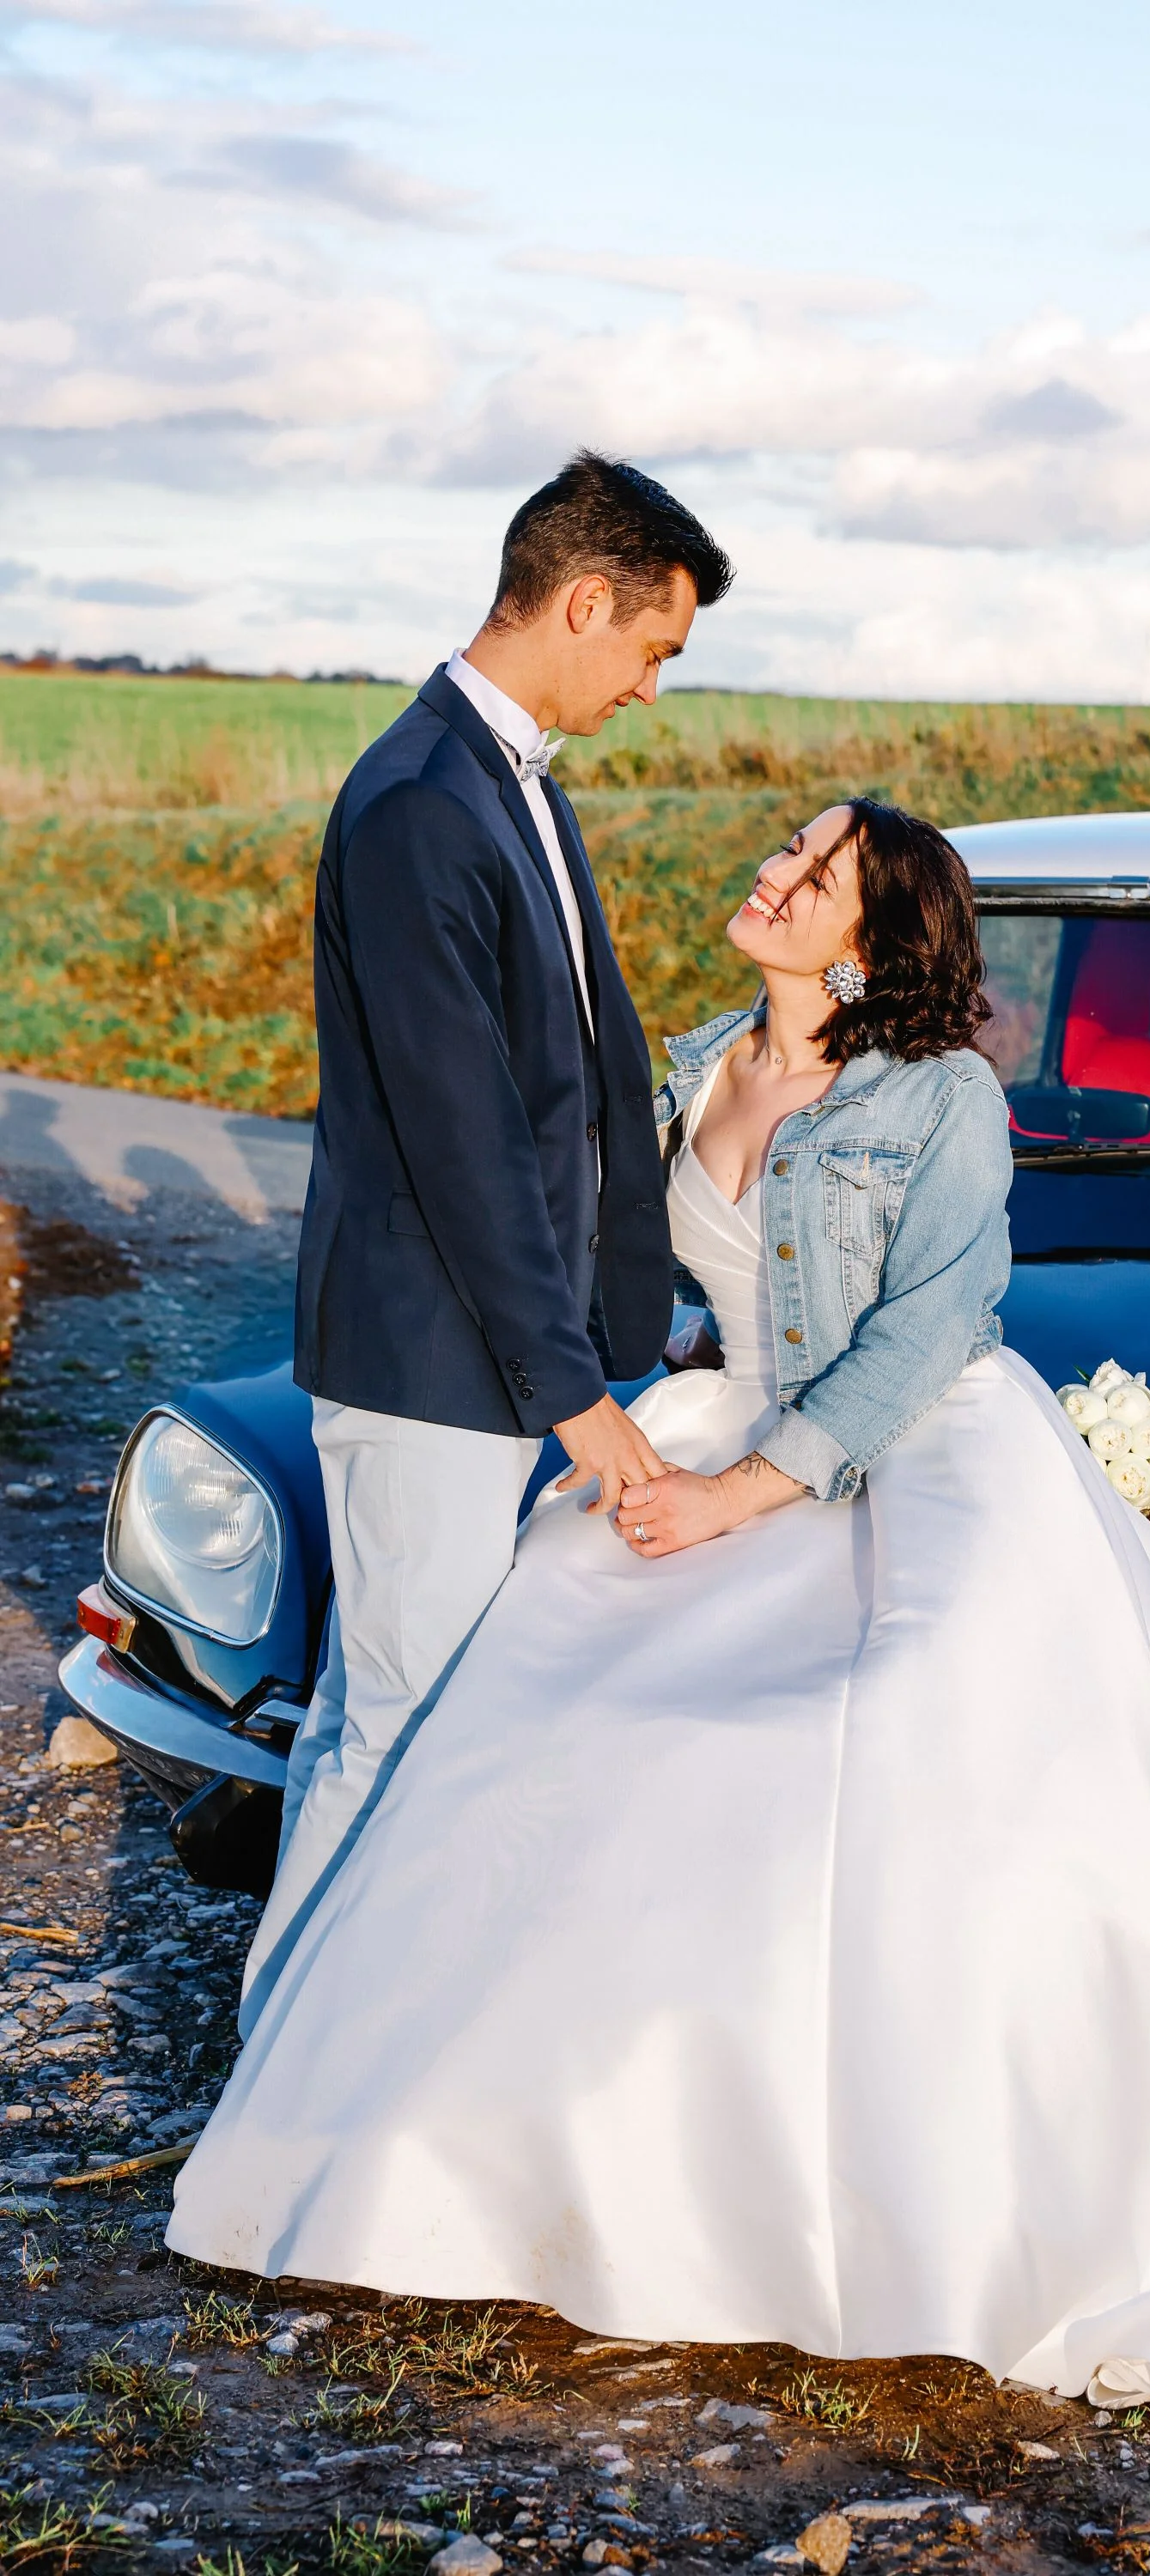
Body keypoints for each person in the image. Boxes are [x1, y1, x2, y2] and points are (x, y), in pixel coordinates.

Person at [176, 799, 1150, 2428]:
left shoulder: (948, 1100)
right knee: (555, 1746)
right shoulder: (693, 1063)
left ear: (867, 934)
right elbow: (570, 1238)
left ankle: (923, 2216)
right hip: (715, 1432)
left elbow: (924, 1340)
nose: (769, 872)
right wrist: (599, 1425)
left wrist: (731, 1492)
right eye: (783, 849)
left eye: (812, 871)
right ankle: (494, 2173)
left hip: (905, 1468)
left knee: (910, 1767)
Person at [238, 452, 732, 2037]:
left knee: (381, 1722)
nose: (653, 688)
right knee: (402, 1728)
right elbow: (462, 1150)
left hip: (484, 1358)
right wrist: (572, 1387)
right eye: (654, 648)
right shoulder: (415, 808)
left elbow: (576, 1086)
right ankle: (301, 2088)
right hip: (434, 1361)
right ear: (584, 602)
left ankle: (318, 2057)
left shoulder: (503, 784)